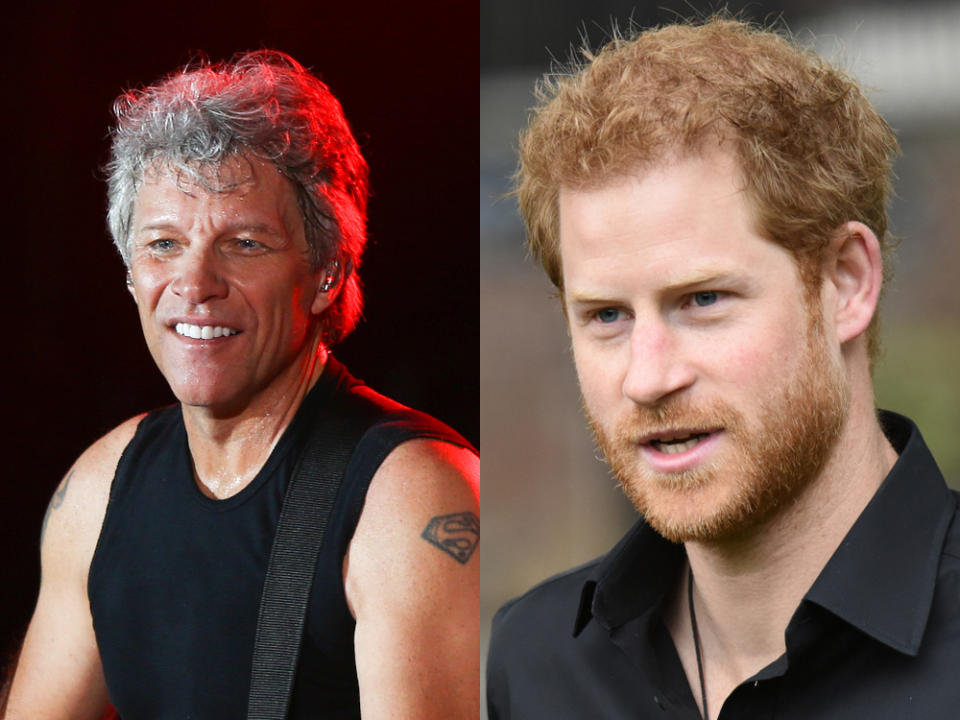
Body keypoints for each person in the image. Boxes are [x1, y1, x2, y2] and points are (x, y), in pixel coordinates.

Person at [487, 17, 959, 720]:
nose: (648, 379)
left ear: (847, 283)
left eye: (702, 300)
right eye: (607, 316)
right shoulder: (532, 663)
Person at [5, 50, 479, 719]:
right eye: (163, 245)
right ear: (130, 271)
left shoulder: (408, 492)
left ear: (326, 275)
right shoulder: (100, 486)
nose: (194, 285)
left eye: (245, 244)